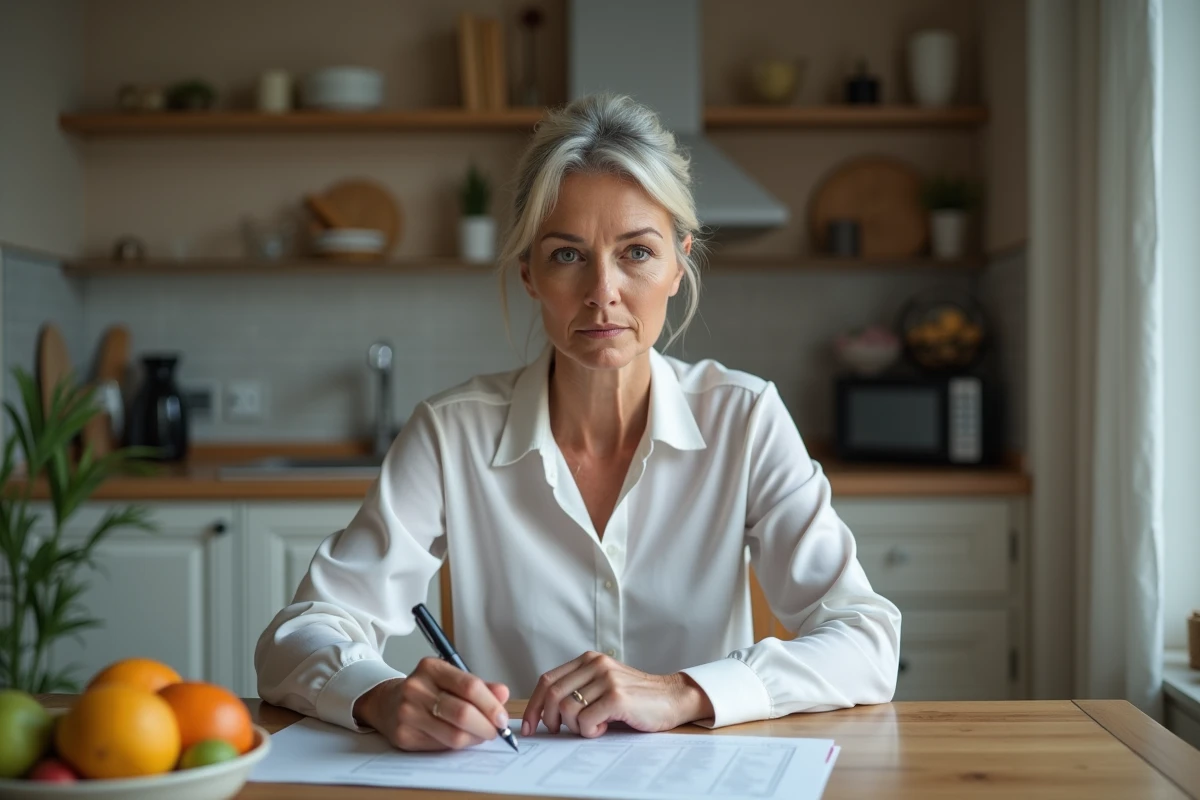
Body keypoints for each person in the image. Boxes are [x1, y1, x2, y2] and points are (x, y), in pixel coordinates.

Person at [255, 93, 901, 753]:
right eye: (568, 255)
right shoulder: (451, 436)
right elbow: (298, 636)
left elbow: (866, 638)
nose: (602, 291)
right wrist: (382, 694)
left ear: (679, 262)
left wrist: (682, 692)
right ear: (530, 272)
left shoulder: (746, 418)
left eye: (637, 252)